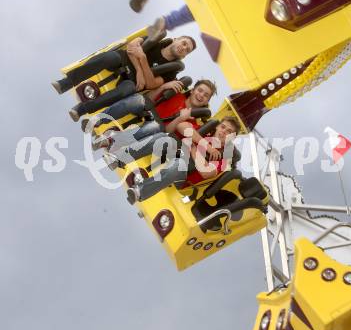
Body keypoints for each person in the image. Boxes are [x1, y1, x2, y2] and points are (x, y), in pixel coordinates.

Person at [52, 35, 196, 121]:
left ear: (184, 56)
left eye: (187, 50)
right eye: (184, 43)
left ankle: (81, 109)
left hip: (132, 81)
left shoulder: (171, 72)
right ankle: (66, 83)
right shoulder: (155, 40)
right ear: (176, 39)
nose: (184, 48)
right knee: (109, 57)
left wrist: (142, 58)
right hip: (122, 60)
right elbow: (132, 46)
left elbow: (152, 84)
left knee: (127, 90)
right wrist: (140, 69)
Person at [89, 80, 218, 158]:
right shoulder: (175, 93)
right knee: (138, 99)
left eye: (206, 95)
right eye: (200, 90)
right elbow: (148, 99)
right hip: (147, 110)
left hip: (155, 129)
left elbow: (167, 130)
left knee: (156, 126)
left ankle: (110, 141)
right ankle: (97, 120)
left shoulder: (192, 122)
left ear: (207, 101)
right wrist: (163, 87)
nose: (201, 95)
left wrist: (180, 119)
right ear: (192, 90)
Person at [126, 117, 240, 204]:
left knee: (179, 164)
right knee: (163, 137)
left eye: (229, 132)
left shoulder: (224, 158)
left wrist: (193, 147)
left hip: (180, 178)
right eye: (223, 127)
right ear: (217, 127)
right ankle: (122, 157)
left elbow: (205, 172)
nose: (224, 131)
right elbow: (182, 126)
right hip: (170, 157)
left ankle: (139, 191)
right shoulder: (204, 132)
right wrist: (206, 146)